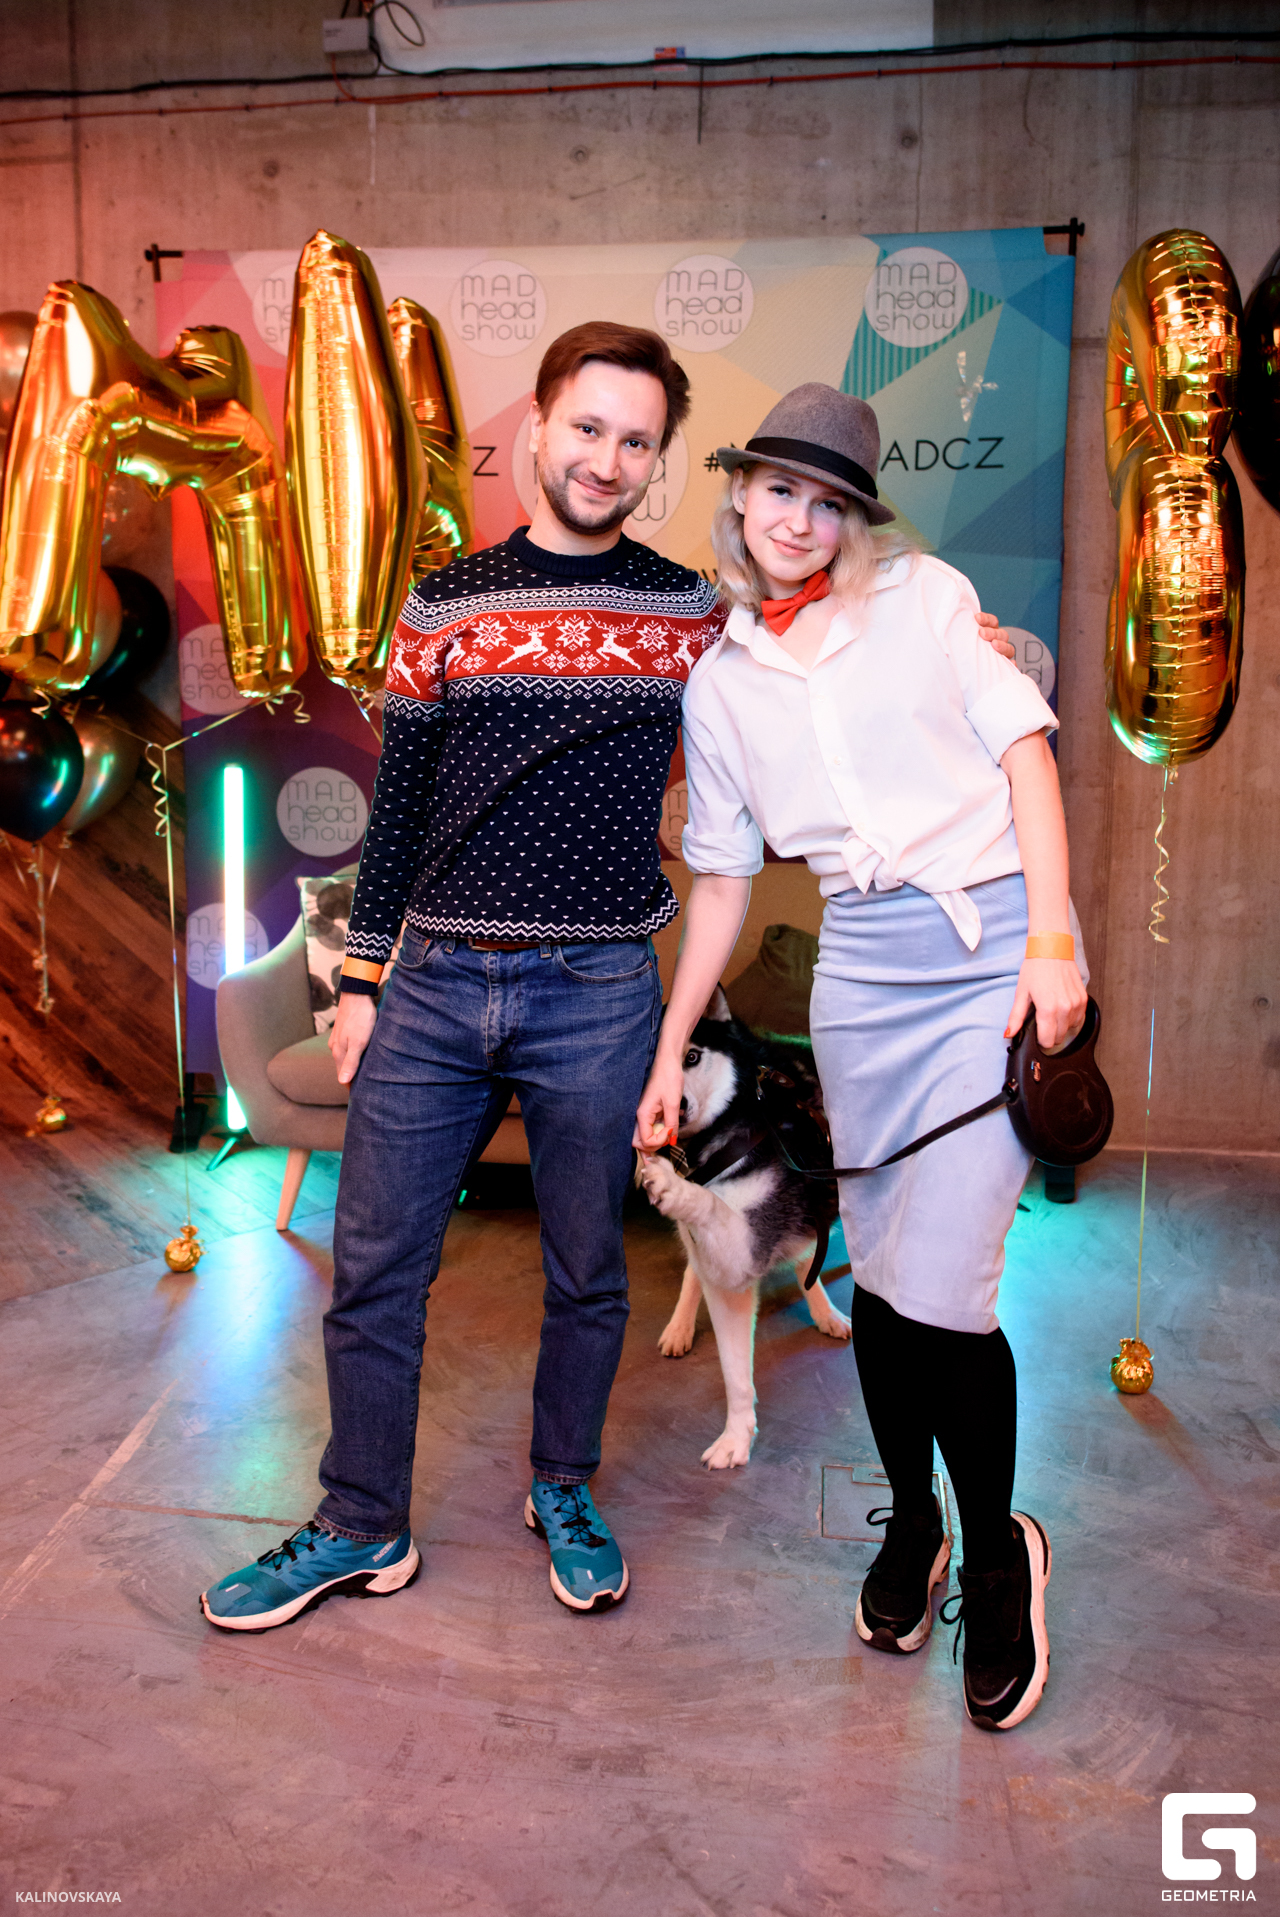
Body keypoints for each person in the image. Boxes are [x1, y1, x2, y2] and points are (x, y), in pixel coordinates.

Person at [201, 334, 1012, 1635]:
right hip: (435, 984)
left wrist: (977, 645)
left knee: (588, 1270)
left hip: (596, 989)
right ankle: (361, 1521)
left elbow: (832, 646)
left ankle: (563, 1488)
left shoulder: (694, 615)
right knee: (375, 1267)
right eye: (588, 428)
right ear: (539, 428)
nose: (607, 459)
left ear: (659, 463)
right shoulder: (443, 605)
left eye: (636, 441)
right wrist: (360, 979)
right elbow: (398, 807)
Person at [635, 384, 1086, 1732]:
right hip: (863, 981)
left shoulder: (927, 601)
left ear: (856, 521)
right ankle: (915, 1527)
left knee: (948, 1287)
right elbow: (722, 882)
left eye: (828, 502)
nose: (799, 520)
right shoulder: (721, 683)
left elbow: (1028, 754)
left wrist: (1053, 942)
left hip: (987, 952)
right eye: (780, 489)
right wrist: (670, 1046)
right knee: (882, 1285)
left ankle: (998, 1554)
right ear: (741, 494)